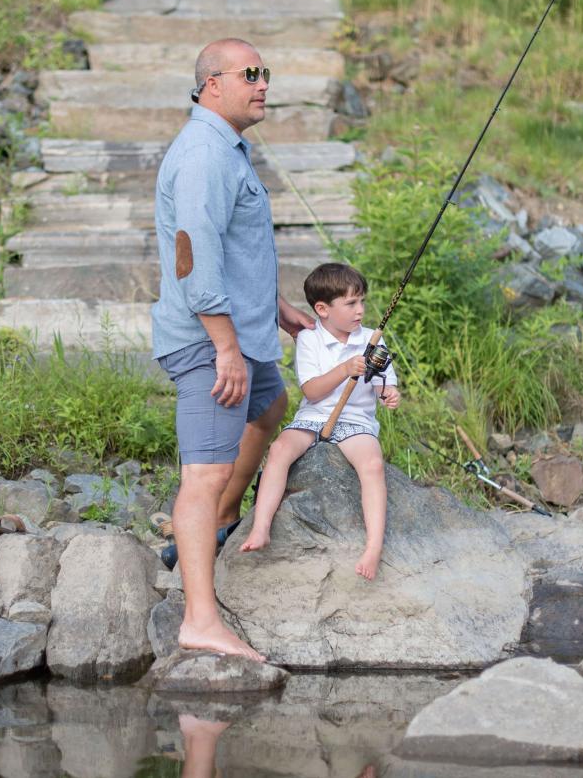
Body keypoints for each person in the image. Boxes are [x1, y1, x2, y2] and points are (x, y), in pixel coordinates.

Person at [152, 38, 313, 661]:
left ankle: (221, 520)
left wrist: (277, 311)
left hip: (242, 335)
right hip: (206, 342)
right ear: (212, 84)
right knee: (204, 472)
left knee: (269, 410)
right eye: (251, 74)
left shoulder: (228, 150)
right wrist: (225, 348)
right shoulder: (202, 155)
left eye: (265, 72)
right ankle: (199, 618)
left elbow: (232, 249)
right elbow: (194, 260)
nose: (263, 83)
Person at [240, 263, 400, 580]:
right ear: (322, 309)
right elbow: (312, 391)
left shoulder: (372, 340)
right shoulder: (309, 339)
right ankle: (261, 527)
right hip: (312, 419)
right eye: (351, 303)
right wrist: (344, 370)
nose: (360, 310)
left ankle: (373, 546)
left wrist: (388, 394)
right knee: (280, 450)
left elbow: (385, 382)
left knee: (372, 464)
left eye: (362, 302)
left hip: (356, 423)